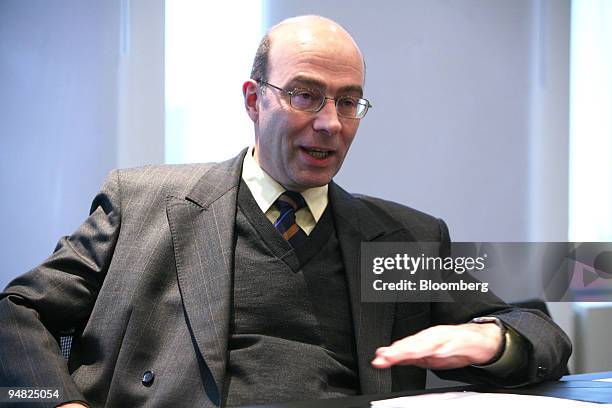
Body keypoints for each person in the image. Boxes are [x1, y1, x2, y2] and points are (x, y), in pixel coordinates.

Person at [0, 15, 570, 408]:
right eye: (305, 94)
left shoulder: (398, 241)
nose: (330, 122)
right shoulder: (145, 203)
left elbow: (538, 328)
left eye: (349, 102)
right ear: (254, 100)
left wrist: (496, 340)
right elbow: (16, 311)